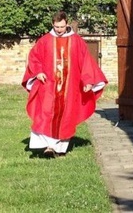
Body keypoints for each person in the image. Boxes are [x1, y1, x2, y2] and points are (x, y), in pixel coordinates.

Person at [21, 11, 107, 157]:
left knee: (66, 116)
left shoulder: (76, 41)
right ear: (52, 25)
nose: (59, 30)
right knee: (45, 113)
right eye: (56, 27)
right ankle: (47, 146)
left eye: (61, 27)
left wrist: (88, 80)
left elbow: (85, 61)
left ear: (66, 24)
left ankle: (58, 148)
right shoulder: (45, 40)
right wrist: (38, 72)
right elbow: (34, 58)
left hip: (69, 87)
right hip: (48, 86)